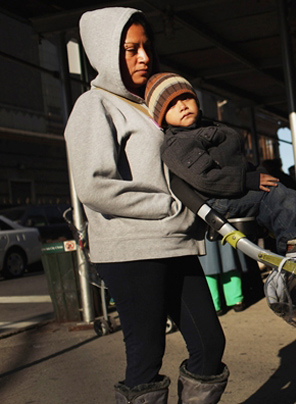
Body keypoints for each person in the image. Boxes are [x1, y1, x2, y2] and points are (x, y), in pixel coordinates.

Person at [64, 8, 228, 403]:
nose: (142, 57)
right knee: (146, 356)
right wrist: (171, 210)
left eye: (146, 47)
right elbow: (94, 186)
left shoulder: (150, 103)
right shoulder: (94, 105)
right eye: (129, 49)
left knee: (209, 343)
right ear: (105, 52)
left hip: (175, 242)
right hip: (131, 249)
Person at [144, 72, 296, 259]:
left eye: (186, 98)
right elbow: (205, 179)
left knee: (289, 194)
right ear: (161, 117)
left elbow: (238, 161)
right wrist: (249, 180)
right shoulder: (178, 144)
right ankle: (295, 243)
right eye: (171, 105)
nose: (182, 106)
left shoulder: (210, 127)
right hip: (218, 198)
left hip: (236, 191)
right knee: (276, 195)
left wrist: (259, 174)